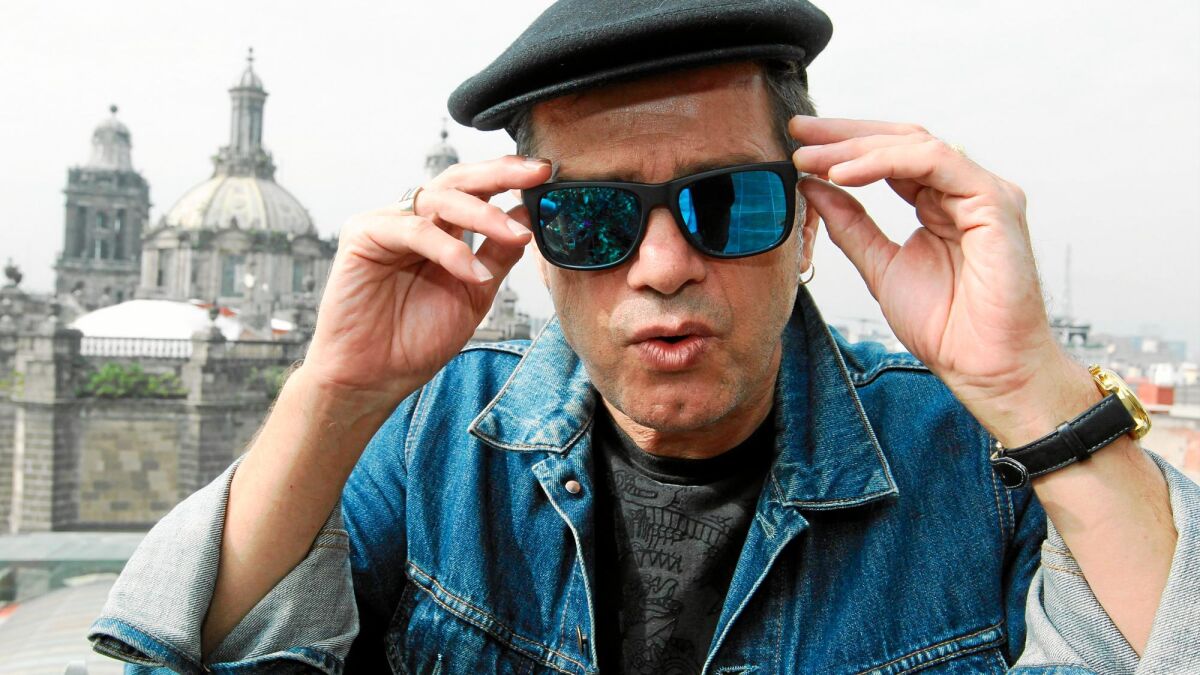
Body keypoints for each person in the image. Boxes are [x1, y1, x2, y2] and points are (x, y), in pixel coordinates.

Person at [89, 1, 1199, 673]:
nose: (663, 264)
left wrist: (1028, 383)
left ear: (808, 224)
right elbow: (186, 654)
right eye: (592, 218)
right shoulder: (434, 438)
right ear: (533, 242)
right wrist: (334, 391)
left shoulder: (979, 465)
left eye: (731, 202)